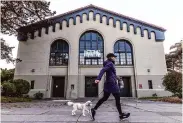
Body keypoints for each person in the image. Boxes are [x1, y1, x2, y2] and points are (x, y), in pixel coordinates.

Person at [91, 53, 130, 121]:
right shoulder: (110, 63)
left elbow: (111, 74)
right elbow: (103, 70)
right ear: (111, 57)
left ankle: (94, 109)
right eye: (114, 57)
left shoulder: (109, 63)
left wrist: (117, 77)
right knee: (117, 99)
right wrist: (98, 78)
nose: (115, 58)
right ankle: (121, 115)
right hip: (112, 85)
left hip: (108, 84)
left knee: (104, 98)